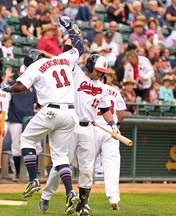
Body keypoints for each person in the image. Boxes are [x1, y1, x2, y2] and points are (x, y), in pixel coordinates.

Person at [2, 16, 84, 214]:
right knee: (60, 157)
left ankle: (32, 180)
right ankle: (70, 192)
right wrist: (70, 28)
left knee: (27, 139)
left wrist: (6, 88)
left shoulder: (35, 66)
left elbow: (21, 87)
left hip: (51, 111)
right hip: (70, 114)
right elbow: (80, 46)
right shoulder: (62, 59)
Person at [38, 43, 120, 216]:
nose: (100, 74)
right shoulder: (76, 75)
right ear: (90, 66)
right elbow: (69, 52)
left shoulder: (102, 88)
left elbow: (105, 110)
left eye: (102, 72)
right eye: (98, 71)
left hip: (88, 128)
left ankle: (83, 205)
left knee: (86, 168)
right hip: (70, 125)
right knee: (61, 164)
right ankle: (46, 195)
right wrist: (72, 34)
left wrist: (113, 125)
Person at [93, 75, 126, 210]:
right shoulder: (114, 91)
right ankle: (114, 197)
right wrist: (116, 125)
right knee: (112, 165)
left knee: (87, 164)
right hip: (111, 129)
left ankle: (84, 197)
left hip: (93, 128)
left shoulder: (89, 89)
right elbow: (122, 114)